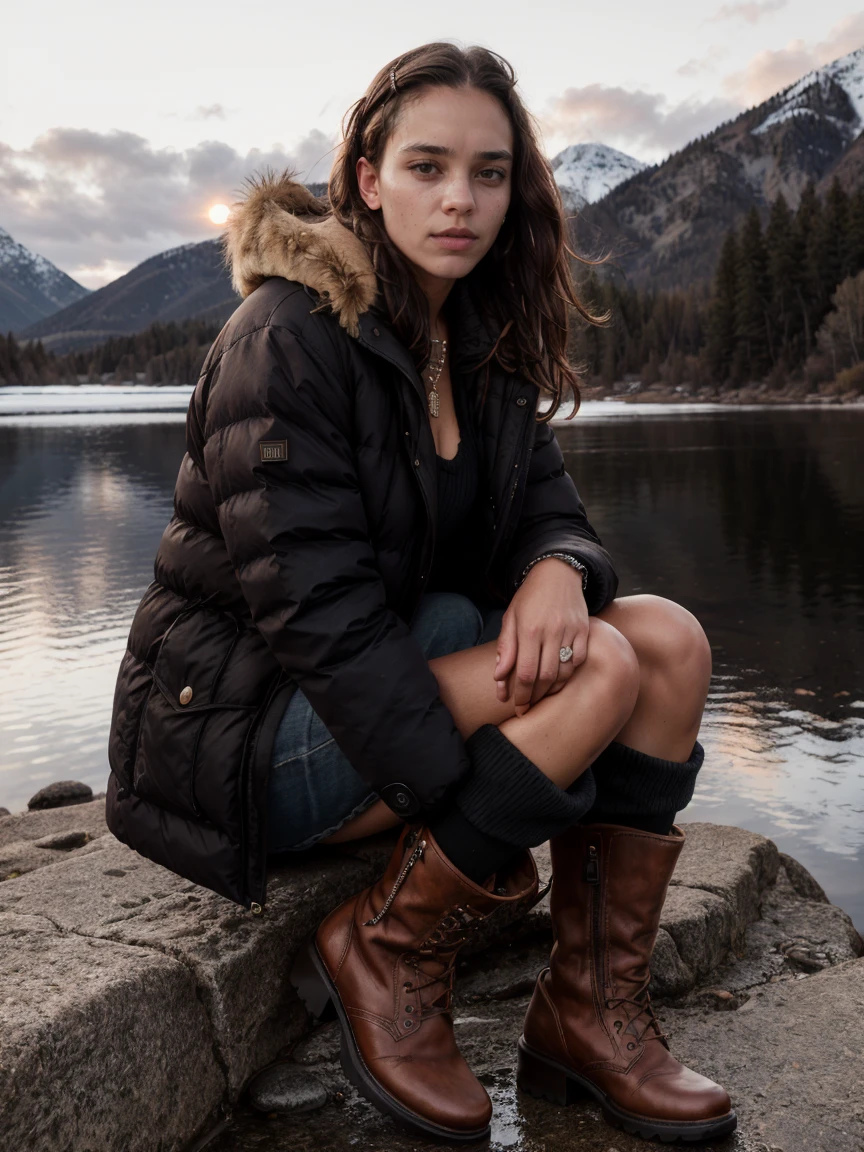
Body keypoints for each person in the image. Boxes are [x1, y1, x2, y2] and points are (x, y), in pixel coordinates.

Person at [106, 41, 735, 1146]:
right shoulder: (287, 339)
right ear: (366, 177)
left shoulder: (475, 339)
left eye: (489, 173)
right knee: (600, 667)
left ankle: (589, 1014)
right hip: (247, 731)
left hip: (393, 676)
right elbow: (321, 622)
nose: (460, 200)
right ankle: (386, 948)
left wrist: (554, 573)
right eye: (429, 166)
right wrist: (493, 805)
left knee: (667, 642)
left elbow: (555, 514)